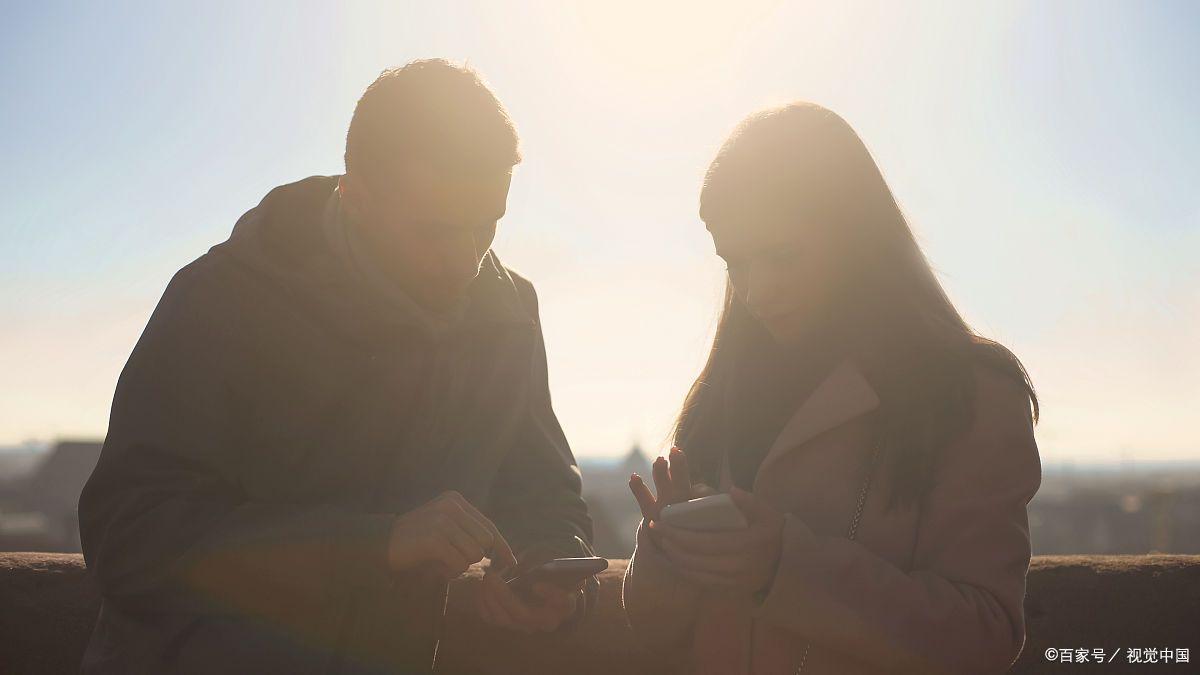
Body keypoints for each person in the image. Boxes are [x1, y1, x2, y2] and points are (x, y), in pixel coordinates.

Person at [78, 59, 598, 675]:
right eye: (435, 233)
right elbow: (130, 537)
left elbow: (540, 486)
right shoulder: (222, 299)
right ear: (355, 197)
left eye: (486, 228)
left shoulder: (509, 313)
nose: (465, 261)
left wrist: (549, 568)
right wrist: (377, 546)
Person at [622, 102, 1042, 674]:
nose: (754, 292)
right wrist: (672, 551)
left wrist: (783, 567)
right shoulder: (725, 388)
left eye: (782, 256)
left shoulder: (970, 393)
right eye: (735, 264)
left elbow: (984, 635)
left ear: (857, 238)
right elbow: (655, 631)